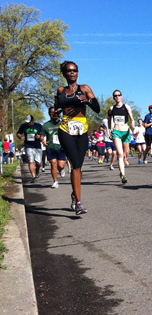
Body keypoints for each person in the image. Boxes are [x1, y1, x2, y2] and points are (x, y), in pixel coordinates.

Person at [55, 60, 100, 214]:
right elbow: (56, 109)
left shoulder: (85, 88)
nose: (72, 73)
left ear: (77, 73)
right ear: (64, 74)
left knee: (78, 166)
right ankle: (79, 203)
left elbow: (97, 108)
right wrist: (56, 113)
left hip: (82, 129)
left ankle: (75, 194)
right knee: (75, 164)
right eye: (69, 71)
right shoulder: (61, 90)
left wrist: (87, 101)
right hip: (66, 128)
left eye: (74, 70)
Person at [108, 89, 135, 183]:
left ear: (121, 96)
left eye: (119, 95)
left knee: (124, 154)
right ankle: (123, 175)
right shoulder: (111, 108)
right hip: (116, 132)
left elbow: (132, 118)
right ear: (113, 98)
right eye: (115, 95)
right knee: (119, 154)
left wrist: (132, 125)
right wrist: (109, 129)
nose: (117, 97)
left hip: (126, 132)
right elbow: (109, 119)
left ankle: (121, 170)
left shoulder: (126, 106)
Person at [41, 107, 67, 188]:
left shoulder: (62, 123)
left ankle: (61, 169)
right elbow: (42, 135)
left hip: (61, 147)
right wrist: (43, 141)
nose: (54, 114)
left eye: (55, 112)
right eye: (52, 112)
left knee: (61, 165)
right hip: (50, 147)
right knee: (53, 164)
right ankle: (55, 181)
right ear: (49, 114)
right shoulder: (46, 125)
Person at [17, 115, 42, 183]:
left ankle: (37, 170)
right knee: (31, 162)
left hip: (37, 146)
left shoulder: (38, 126)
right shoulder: (23, 126)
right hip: (28, 146)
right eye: (27, 122)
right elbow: (18, 133)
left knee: (38, 163)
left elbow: (43, 134)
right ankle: (33, 177)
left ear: (32, 120)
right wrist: (20, 137)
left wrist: (39, 136)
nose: (28, 124)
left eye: (29, 122)